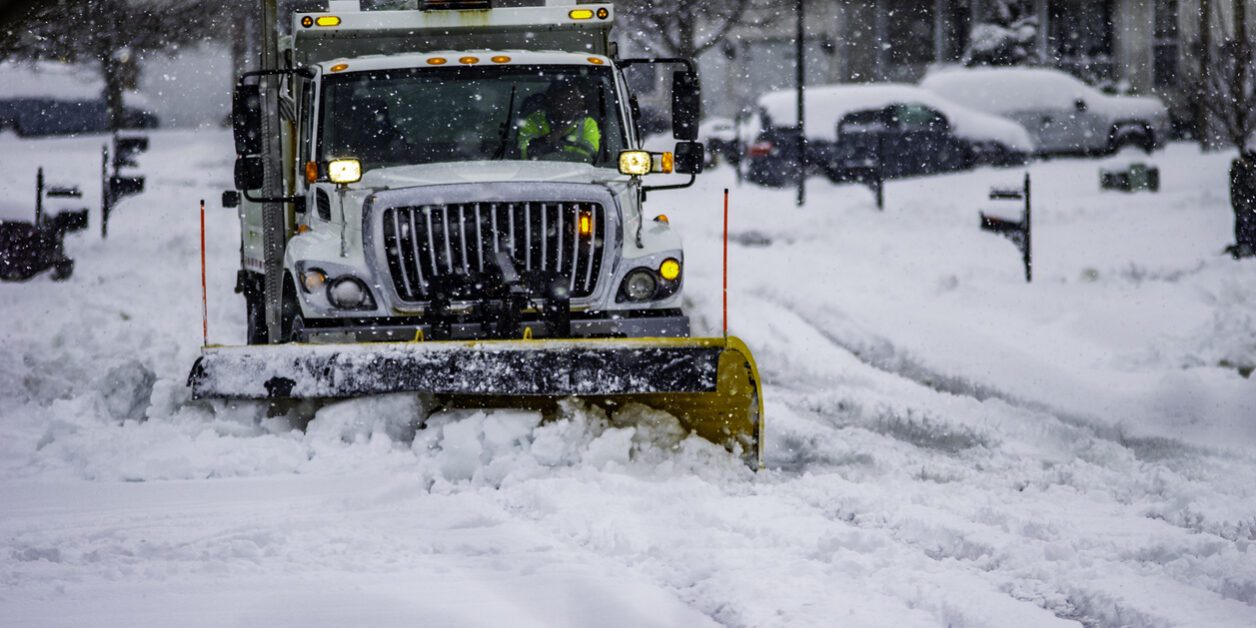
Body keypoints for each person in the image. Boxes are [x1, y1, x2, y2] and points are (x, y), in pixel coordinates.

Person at [517, 81, 600, 162]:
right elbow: (525, 153)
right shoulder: (534, 120)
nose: (578, 103)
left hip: (577, 173)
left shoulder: (588, 124)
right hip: (533, 171)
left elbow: (587, 157)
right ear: (553, 101)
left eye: (577, 99)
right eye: (568, 99)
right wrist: (559, 131)